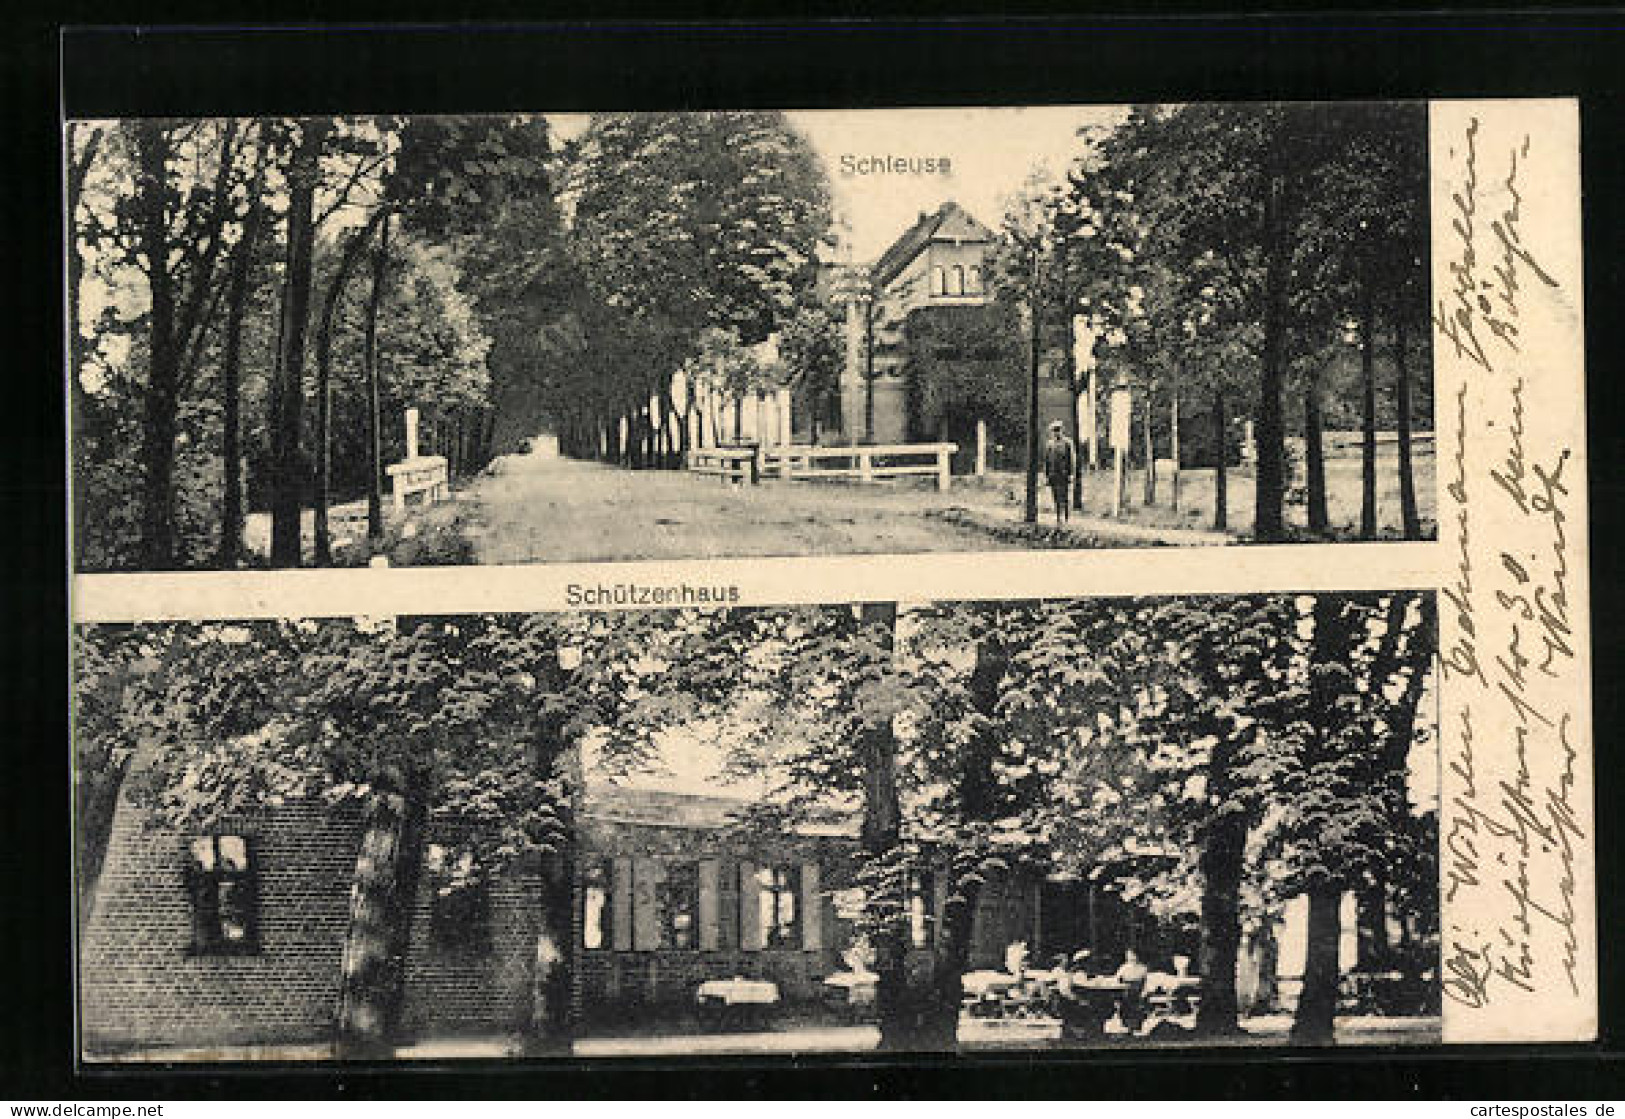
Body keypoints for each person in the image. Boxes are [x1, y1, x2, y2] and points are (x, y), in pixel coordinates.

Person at [1042, 420, 1076, 525]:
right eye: (1054, 431)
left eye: (1058, 430)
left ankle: (1066, 517)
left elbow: (1071, 459)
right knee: (1055, 496)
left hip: (1064, 474)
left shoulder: (1067, 443)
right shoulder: (1049, 444)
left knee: (1064, 496)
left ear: (1062, 430)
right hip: (1053, 474)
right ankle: (1058, 517)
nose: (1056, 433)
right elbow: (1047, 460)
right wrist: (1046, 475)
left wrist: (1071, 474)